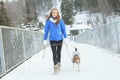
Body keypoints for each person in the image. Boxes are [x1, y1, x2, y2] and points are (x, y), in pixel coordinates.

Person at [43, 8, 67, 74]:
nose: (54, 13)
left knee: (59, 52)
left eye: (56, 12)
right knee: (54, 53)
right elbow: (46, 31)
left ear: (57, 13)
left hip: (60, 39)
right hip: (52, 40)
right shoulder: (48, 22)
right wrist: (45, 39)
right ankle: (55, 68)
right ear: (51, 13)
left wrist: (65, 37)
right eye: (53, 12)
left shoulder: (61, 21)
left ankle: (59, 64)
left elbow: (63, 30)